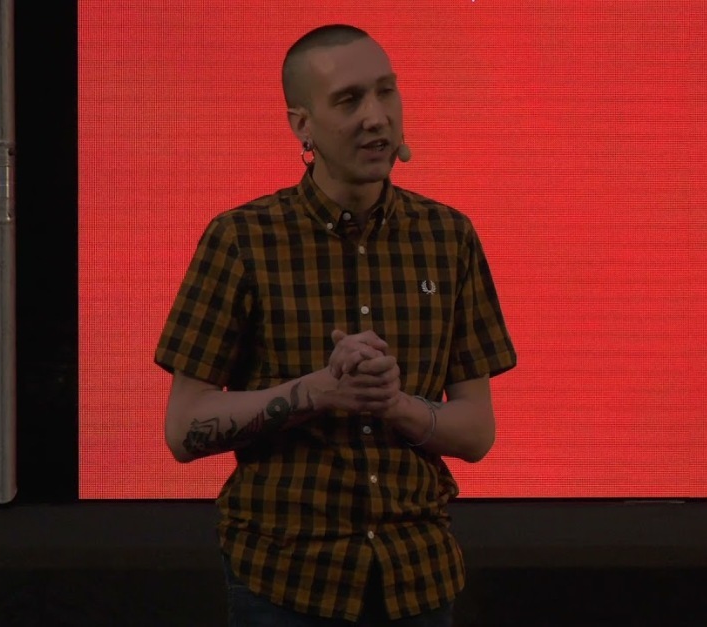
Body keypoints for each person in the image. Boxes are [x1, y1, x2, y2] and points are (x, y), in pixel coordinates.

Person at [154, 23, 516, 627]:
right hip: (286, 578)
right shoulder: (241, 240)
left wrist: (394, 404)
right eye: (349, 100)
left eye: (386, 91)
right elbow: (183, 428)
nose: (376, 116)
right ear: (303, 125)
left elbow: (476, 432)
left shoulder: (448, 237)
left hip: (417, 576)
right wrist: (318, 392)